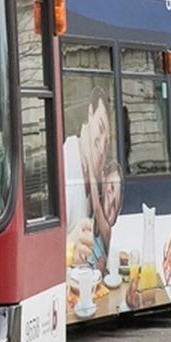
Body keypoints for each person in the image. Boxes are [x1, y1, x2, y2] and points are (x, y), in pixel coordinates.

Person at [64, 87, 111, 267]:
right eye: (100, 129)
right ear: (89, 115)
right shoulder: (67, 160)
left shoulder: (90, 179)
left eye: (107, 144)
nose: (101, 149)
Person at [87, 161, 123, 274]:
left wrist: (90, 167)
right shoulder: (90, 215)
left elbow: (97, 208)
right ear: (103, 178)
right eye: (111, 187)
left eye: (114, 205)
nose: (111, 200)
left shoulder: (107, 230)